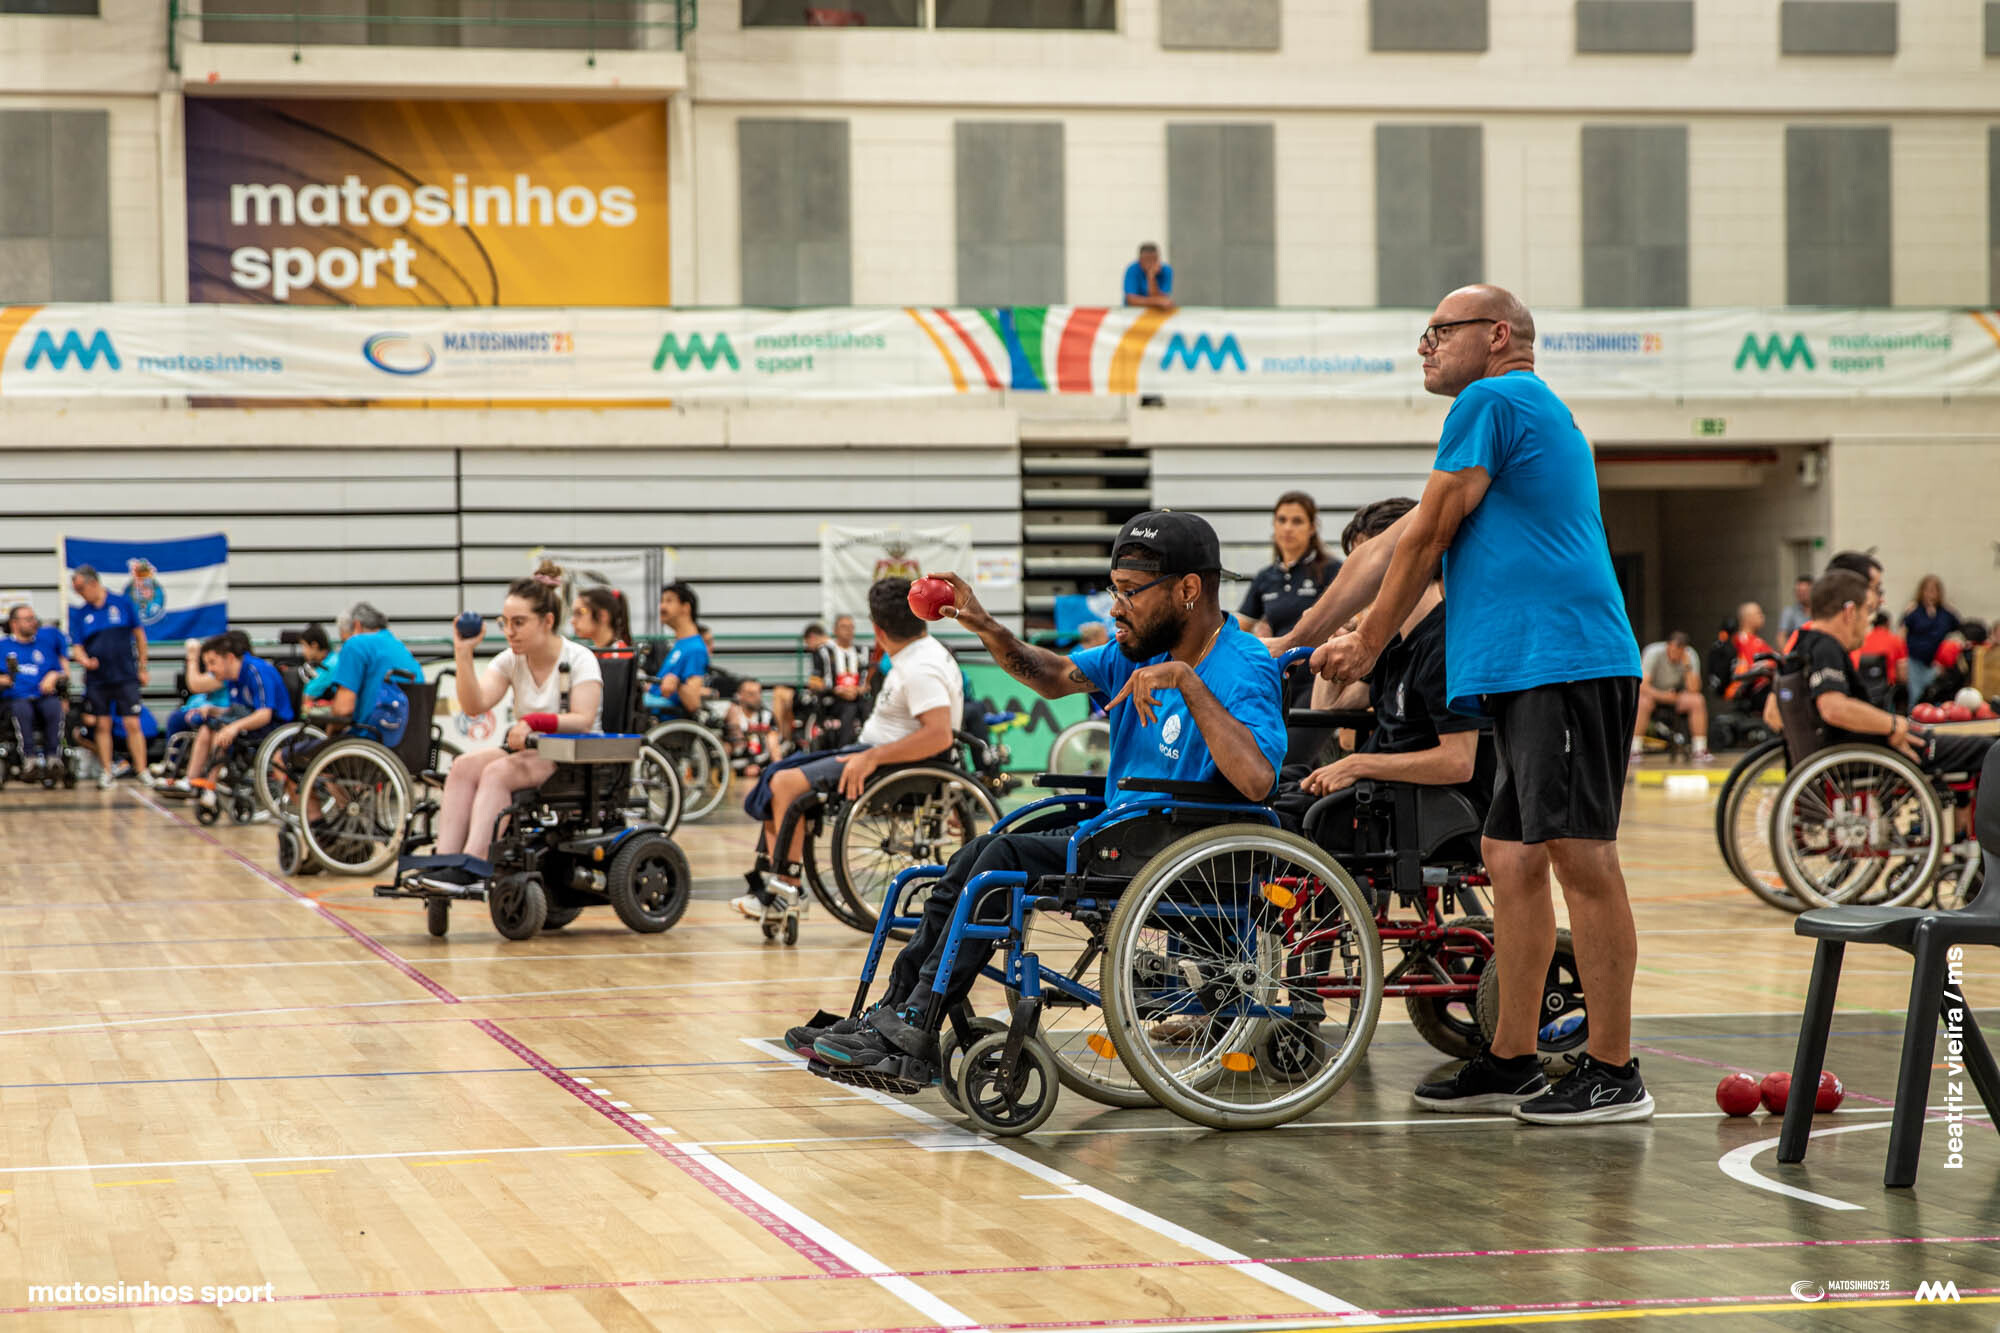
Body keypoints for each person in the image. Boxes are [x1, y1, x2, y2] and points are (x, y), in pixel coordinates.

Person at [1277, 284, 1652, 1125]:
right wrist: (1291, 638)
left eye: (1437, 331)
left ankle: (1614, 1069)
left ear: (1496, 335)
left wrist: (1367, 644)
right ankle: (1511, 1057)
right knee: (1511, 858)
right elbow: (1385, 547)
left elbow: (1425, 535)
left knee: (1579, 856)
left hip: (1566, 660)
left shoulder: (1497, 395)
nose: (1424, 346)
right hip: (1523, 671)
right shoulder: (1503, 414)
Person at [797, 512, 1287, 1084]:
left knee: (1000, 863)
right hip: (1131, 836)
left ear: (1187, 590)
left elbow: (1257, 780)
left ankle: (915, 1023)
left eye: (1130, 593)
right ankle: (895, 1011)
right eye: (1114, 591)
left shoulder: (1244, 662)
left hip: (1187, 848)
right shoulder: (1136, 653)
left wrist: (1187, 682)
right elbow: (1052, 675)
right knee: (977, 854)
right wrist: (984, 624)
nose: (1115, 608)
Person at [731, 579, 964, 919]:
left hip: (887, 765)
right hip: (877, 755)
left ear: (876, 628)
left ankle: (786, 890)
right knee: (776, 774)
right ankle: (773, 879)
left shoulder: (921, 667)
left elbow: (939, 735)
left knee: (786, 785)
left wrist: (871, 757)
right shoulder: (921, 653)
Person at [1271, 498, 1485, 843]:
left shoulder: (1444, 642)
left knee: (1271, 816)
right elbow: (1328, 711)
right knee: (1270, 784)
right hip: (1377, 789)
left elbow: (1458, 761)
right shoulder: (1390, 641)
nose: (1355, 586)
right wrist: (1333, 633)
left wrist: (1356, 765)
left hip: (1406, 806)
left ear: (1400, 559)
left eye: (1364, 569)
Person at [435, 563, 604, 866]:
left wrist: (533, 723)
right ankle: (445, 862)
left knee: (497, 772)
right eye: (505, 622)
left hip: (574, 757)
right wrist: (464, 653)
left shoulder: (581, 659)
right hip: (532, 754)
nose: (509, 632)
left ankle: (476, 862)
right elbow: (474, 705)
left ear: (547, 621)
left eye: (519, 622)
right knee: (462, 766)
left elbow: (583, 719)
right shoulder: (509, 660)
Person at [1790, 568, 1991, 780]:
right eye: (1867, 612)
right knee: (1989, 750)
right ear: (1849, 612)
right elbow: (1834, 708)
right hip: (1878, 751)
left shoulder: (1803, 643)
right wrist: (1893, 724)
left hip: (1868, 746)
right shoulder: (1826, 648)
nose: (1868, 622)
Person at [283, 603, 422, 781]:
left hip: (369, 744)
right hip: (408, 746)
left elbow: (343, 710)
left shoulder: (356, 644)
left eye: (343, 638)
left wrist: (330, 731)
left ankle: (319, 809)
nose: (344, 644)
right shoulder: (400, 648)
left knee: (284, 758)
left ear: (356, 626)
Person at [182, 630, 295, 813]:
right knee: (209, 725)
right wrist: (214, 710)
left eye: (212, 663)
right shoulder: (233, 678)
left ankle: (210, 785)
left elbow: (264, 714)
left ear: (230, 658)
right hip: (254, 724)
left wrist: (234, 727)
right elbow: (238, 711)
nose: (210, 669)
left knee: (223, 730)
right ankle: (194, 782)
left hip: (275, 727)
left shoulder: (257, 671)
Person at [69, 565, 152, 790]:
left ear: (93, 583)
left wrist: (142, 667)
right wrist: (85, 661)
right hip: (97, 679)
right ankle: (107, 771)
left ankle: (142, 769)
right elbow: (77, 647)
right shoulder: (80, 613)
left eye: (80, 588)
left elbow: (139, 636)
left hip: (125, 675)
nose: (79, 593)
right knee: (102, 725)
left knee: (132, 723)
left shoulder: (122, 604)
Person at [1238, 491, 1343, 642]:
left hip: (1317, 662)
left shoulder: (1333, 569)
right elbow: (1239, 629)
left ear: (1312, 528)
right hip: (1278, 663)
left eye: (1297, 521)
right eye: (1282, 520)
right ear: (1274, 524)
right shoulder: (1265, 576)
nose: (1288, 528)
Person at [2, 604, 68, 780]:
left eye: (34, 618)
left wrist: (54, 675)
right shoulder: (4, 647)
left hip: (43, 696)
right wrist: (5, 680)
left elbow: (61, 671)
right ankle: (29, 760)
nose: (34, 622)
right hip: (15, 698)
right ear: (14, 623)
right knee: (21, 710)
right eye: (28, 619)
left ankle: (54, 759)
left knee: (54, 706)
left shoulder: (44, 645)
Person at [1632, 632, 1710, 763]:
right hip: (1654, 694)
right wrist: (1663, 696)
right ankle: (1634, 750)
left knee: (1697, 700)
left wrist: (1687, 666)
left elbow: (1694, 688)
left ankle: (1700, 750)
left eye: (1680, 650)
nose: (1676, 654)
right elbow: (1642, 685)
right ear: (1667, 645)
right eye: (1674, 649)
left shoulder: (1690, 655)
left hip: (1676, 696)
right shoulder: (1653, 652)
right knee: (1642, 701)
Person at [643, 583, 708, 720]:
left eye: (669, 601)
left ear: (686, 608)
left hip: (665, 724)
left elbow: (693, 703)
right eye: (661, 601)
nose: (662, 607)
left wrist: (677, 684)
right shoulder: (680, 645)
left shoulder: (695, 649)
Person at [1903, 574, 1959, 710]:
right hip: (1915, 662)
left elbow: (1958, 633)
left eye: (1934, 590)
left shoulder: (1946, 613)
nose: (1930, 594)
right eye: (1927, 590)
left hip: (1937, 664)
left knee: (1936, 696)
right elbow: (1903, 633)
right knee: (1916, 697)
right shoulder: (1914, 610)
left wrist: (1946, 658)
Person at [814, 613, 869, 748]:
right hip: (833, 698)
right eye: (844, 627)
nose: (848, 630)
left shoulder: (862, 651)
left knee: (868, 706)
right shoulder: (824, 651)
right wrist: (837, 690)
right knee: (849, 709)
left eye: (851, 627)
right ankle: (844, 749)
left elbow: (868, 681)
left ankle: (870, 746)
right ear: (835, 630)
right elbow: (815, 682)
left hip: (857, 696)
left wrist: (858, 689)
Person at [724, 679, 778, 780]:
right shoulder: (731, 715)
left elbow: (774, 747)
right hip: (735, 766)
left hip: (762, 764)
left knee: (772, 736)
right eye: (751, 694)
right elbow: (729, 745)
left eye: (759, 693)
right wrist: (733, 723)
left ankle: (779, 771)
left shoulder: (767, 716)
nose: (757, 697)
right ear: (740, 695)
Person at [571, 586, 633, 651]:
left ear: (602, 616)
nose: (572, 621)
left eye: (580, 612)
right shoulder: (594, 653)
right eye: (573, 613)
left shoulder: (619, 656)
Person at [1122, 242, 1175, 311]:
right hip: (1133, 313)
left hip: (1156, 314)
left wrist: (1151, 276)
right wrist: (1157, 301)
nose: (1150, 263)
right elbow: (1131, 300)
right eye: (1147, 260)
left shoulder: (1166, 270)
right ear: (1140, 260)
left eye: (1154, 259)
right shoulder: (1132, 269)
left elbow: (1162, 299)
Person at [1778, 577, 1813, 643]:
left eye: (1804, 591)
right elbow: (1781, 636)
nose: (1801, 594)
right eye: (1798, 591)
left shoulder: (1820, 612)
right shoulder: (1789, 612)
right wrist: (1786, 652)